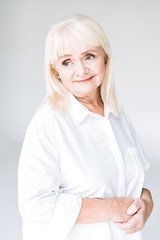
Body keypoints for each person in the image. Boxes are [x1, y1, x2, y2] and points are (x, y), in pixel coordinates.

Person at [18, 14, 153, 240]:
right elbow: (35, 204)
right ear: (55, 72)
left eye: (89, 56)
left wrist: (146, 206)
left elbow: (139, 181)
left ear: (105, 58)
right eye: (67, 62)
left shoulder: (118, 116)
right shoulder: (48, 123)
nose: (80, 70)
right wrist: (112, 208)